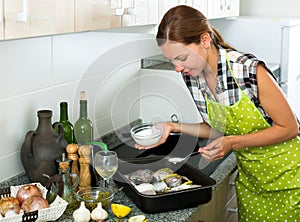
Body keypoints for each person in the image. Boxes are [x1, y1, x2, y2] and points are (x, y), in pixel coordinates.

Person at [135, 5, 300, 221]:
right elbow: (218, 129)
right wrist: (172, 126)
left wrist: (232, 143)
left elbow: (289, 128)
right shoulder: (193, 77)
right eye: (172, 61)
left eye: (182, 58)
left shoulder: (247, 70)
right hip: (252, 182)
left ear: (204, 40)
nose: (177, 68)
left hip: (290, 181)